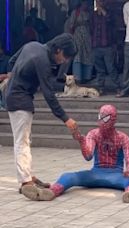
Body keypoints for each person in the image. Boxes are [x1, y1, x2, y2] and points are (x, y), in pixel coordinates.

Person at [20, 105, 129, 203]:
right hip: (96, 173)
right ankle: (49, 192)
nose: (102, 121)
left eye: (105, 118)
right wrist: (81, 142)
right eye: (100, 117)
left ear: (113, 120)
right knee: (68, 176)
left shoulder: (123, 138)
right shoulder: (93, 134)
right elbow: (88, 156)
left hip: (116, 175)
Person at [5, 33, 78, 192]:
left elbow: (12, 62)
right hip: (19, 99)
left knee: (25, 139)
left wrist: (17, 78)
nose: (64, 61)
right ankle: (25, 182)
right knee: (22, 141)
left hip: (16, 95)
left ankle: (27, 175)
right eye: (65, 57)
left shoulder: (32, 45)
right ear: (58, 50)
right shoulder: (43, 61)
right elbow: (48, 94)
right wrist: (66, 119)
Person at [92, 0, 120, 95]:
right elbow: (90, 28)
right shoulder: (93, 15)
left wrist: (103, 11)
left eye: (100, 1)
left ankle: (118, 87)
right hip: (96, 45)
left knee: (111, 68)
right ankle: (101, 88)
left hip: (107, 45)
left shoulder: (110, 13)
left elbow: (112, 22)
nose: (98, 3)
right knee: (99, 69)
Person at [69, 0, 93, 84]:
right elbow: (71, 26)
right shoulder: (75, 12)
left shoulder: (89, 13)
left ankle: (87, 76)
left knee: (87, 55)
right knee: (78, 56)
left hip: (87, 37)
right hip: (77, 36)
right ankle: (78, 77)